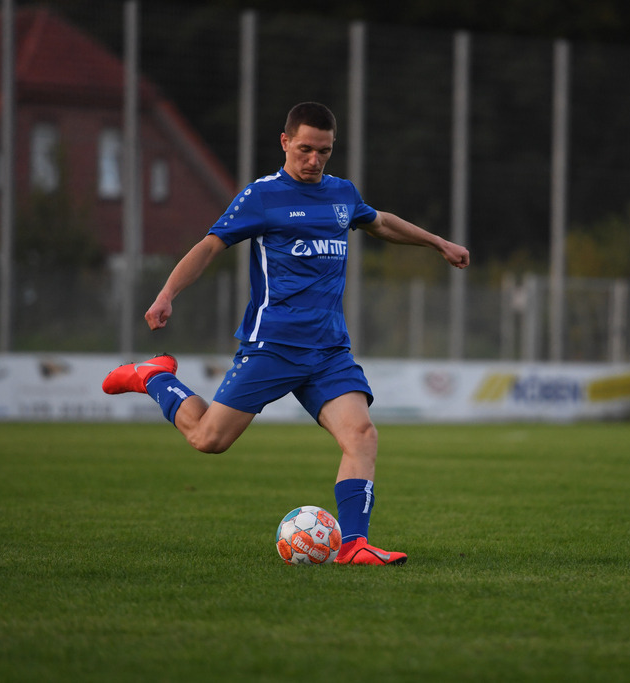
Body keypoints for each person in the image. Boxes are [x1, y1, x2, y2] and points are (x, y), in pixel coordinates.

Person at [102, 102, 470, 564]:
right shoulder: (261, 197)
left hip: (329, 349)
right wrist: (167, 293)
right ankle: (154, 377)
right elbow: (210, 245)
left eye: (324, 151)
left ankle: (353, 546)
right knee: (208, 440)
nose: (314, 160)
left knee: (362, 434)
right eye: (305, 149)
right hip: (273, 345)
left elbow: (379, 222)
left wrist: (438, 243)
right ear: (285, 143)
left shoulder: (341, 194)